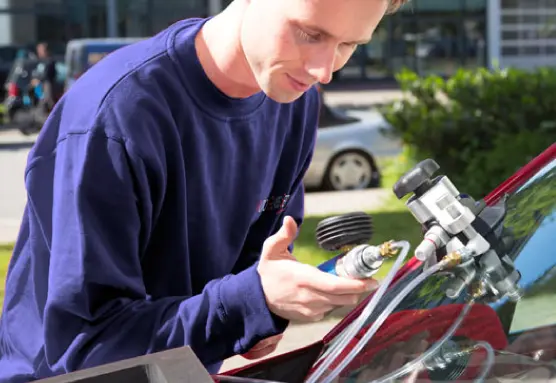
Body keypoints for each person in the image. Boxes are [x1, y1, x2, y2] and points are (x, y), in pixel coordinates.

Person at [0, 0, 408, 380]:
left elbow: (253, 269)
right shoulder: (116, 117)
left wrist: (266, 305)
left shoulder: (292, 99)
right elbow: (89, 351)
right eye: (309, 34)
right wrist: (251, 302)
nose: (324, 70)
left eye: (349, 44)